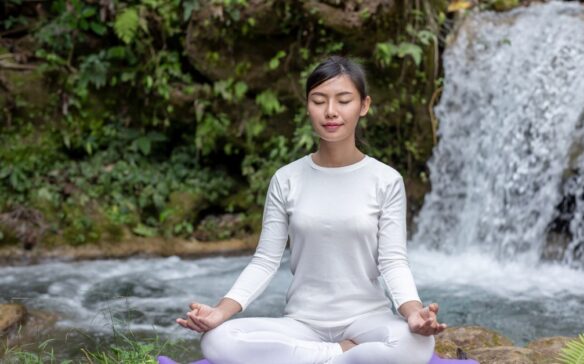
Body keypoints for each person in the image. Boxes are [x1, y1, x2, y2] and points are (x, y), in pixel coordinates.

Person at [176, 55, 447, 364]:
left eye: (344, 100)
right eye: (319, 101)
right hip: (301, 322)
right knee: (217, 340)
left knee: (415, 346)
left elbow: (393, 262)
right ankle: (341, 355)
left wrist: (413, 315)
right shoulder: (286, 179)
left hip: (367, 319)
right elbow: (265, 261)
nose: (331, 112)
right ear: (307, 106)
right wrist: (220, 312)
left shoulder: (386, 180)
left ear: (364, 105)